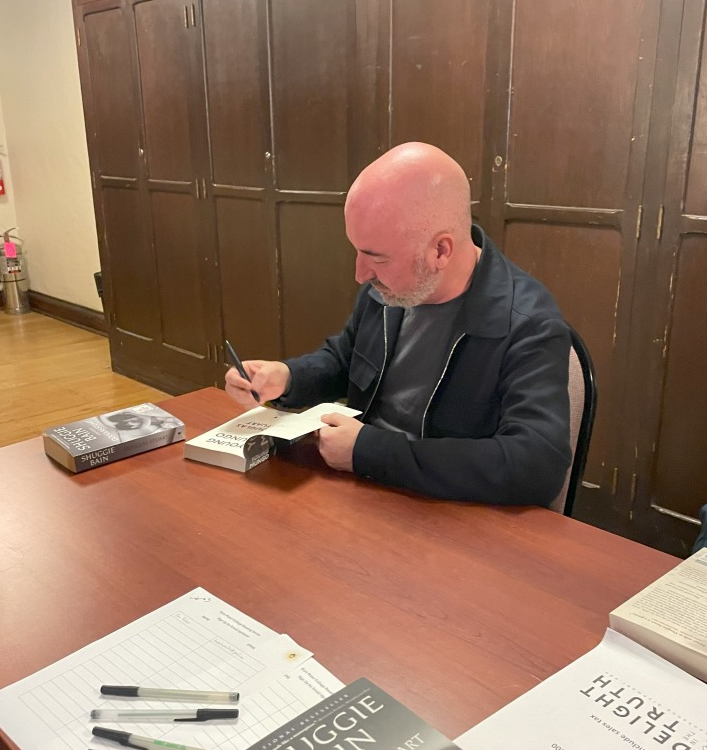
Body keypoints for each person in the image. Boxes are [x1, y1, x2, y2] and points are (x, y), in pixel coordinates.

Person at [225, 142, 571, 505]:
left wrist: (370, 451)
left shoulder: (528, 324)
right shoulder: (388, 290)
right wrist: (287, 377)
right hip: (368, 493)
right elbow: (346, 362)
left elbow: (537, 465)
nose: (360, 275)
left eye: (377, 258)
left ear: (441, 251)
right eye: (357, 250)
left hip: (451, 514)